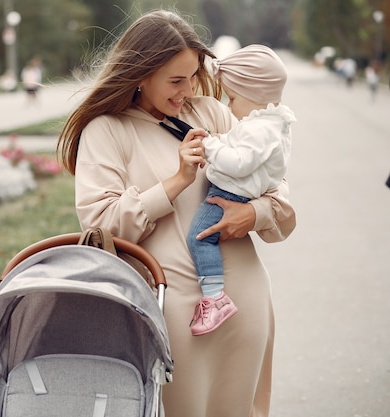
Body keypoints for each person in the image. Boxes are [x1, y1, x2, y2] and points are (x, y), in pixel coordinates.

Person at [57, 9, 296, 417]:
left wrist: (252, 214)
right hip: (171, 311)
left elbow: (279, 198)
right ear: (141, 74)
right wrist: (176, 181)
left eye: (192, 76)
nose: (188, 90)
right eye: (175, 80)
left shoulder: (212, 114)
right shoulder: (107, 130)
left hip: (245, 297)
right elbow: (100, 227)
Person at [183, 44, 296, 336]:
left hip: (230, 194)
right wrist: (220, 140)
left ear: (254, 95)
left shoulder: (259, 129)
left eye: (232, 98)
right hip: (237, 191)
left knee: (199, 238)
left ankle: (215, 297)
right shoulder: (269, 123)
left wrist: (209, 145)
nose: (228, 107)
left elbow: (240, 162)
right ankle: (214, 296)